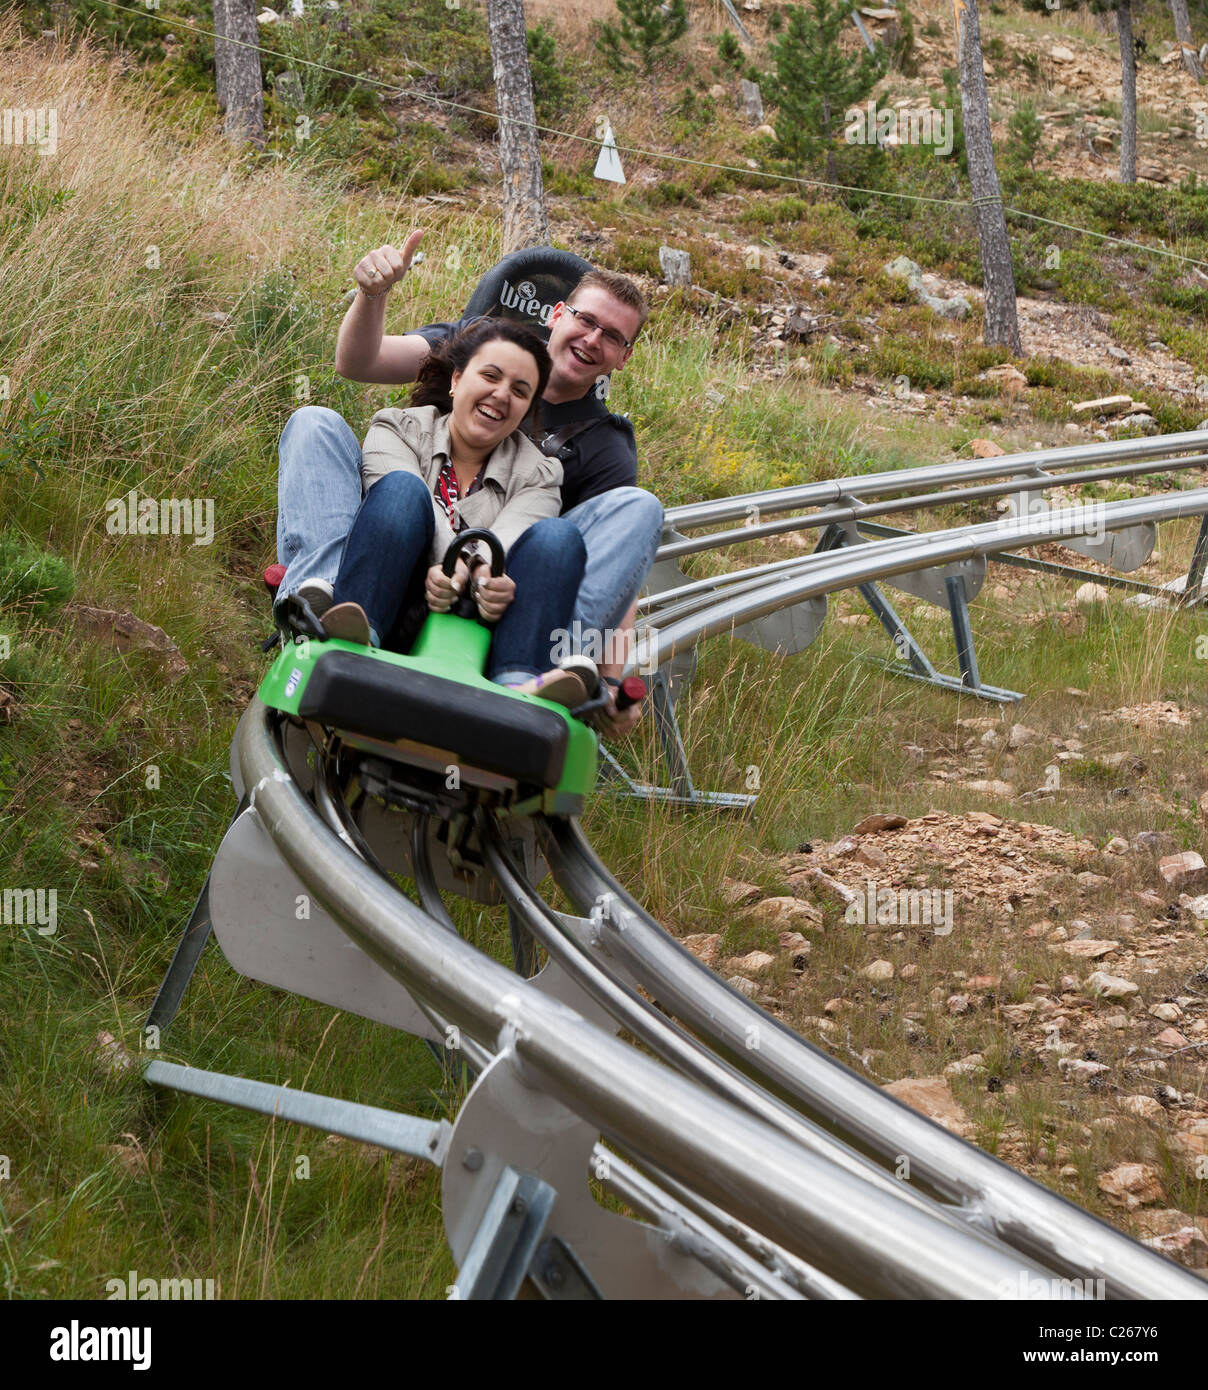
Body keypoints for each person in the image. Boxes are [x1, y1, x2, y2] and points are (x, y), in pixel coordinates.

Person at [275, 231, 663, 737]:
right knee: (319, 426)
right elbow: (358, 363)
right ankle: (319, 601)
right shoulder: (476, 347)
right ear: (558, 314)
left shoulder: (580, 454)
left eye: (612, 336)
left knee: (631, 511)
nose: (593, 340)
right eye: (586, 321)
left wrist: (612, 677)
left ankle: (555, 668)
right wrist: (373, 295)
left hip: (505, 589)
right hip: (397, 545)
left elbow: (615, 567)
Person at [318, 317, 598, 707]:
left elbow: (516, 529)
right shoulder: (397, 428)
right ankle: (354, 636)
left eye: (520, 391)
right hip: (394, 601)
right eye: (490, 376)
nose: (501, 395)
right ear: (456, 380)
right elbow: (395, 491)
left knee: (559, 537)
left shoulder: (542, 473)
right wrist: (460, 561)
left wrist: (488, 576)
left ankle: (518, 685)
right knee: (402, 489)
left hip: (479, 633)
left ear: (527, 411)